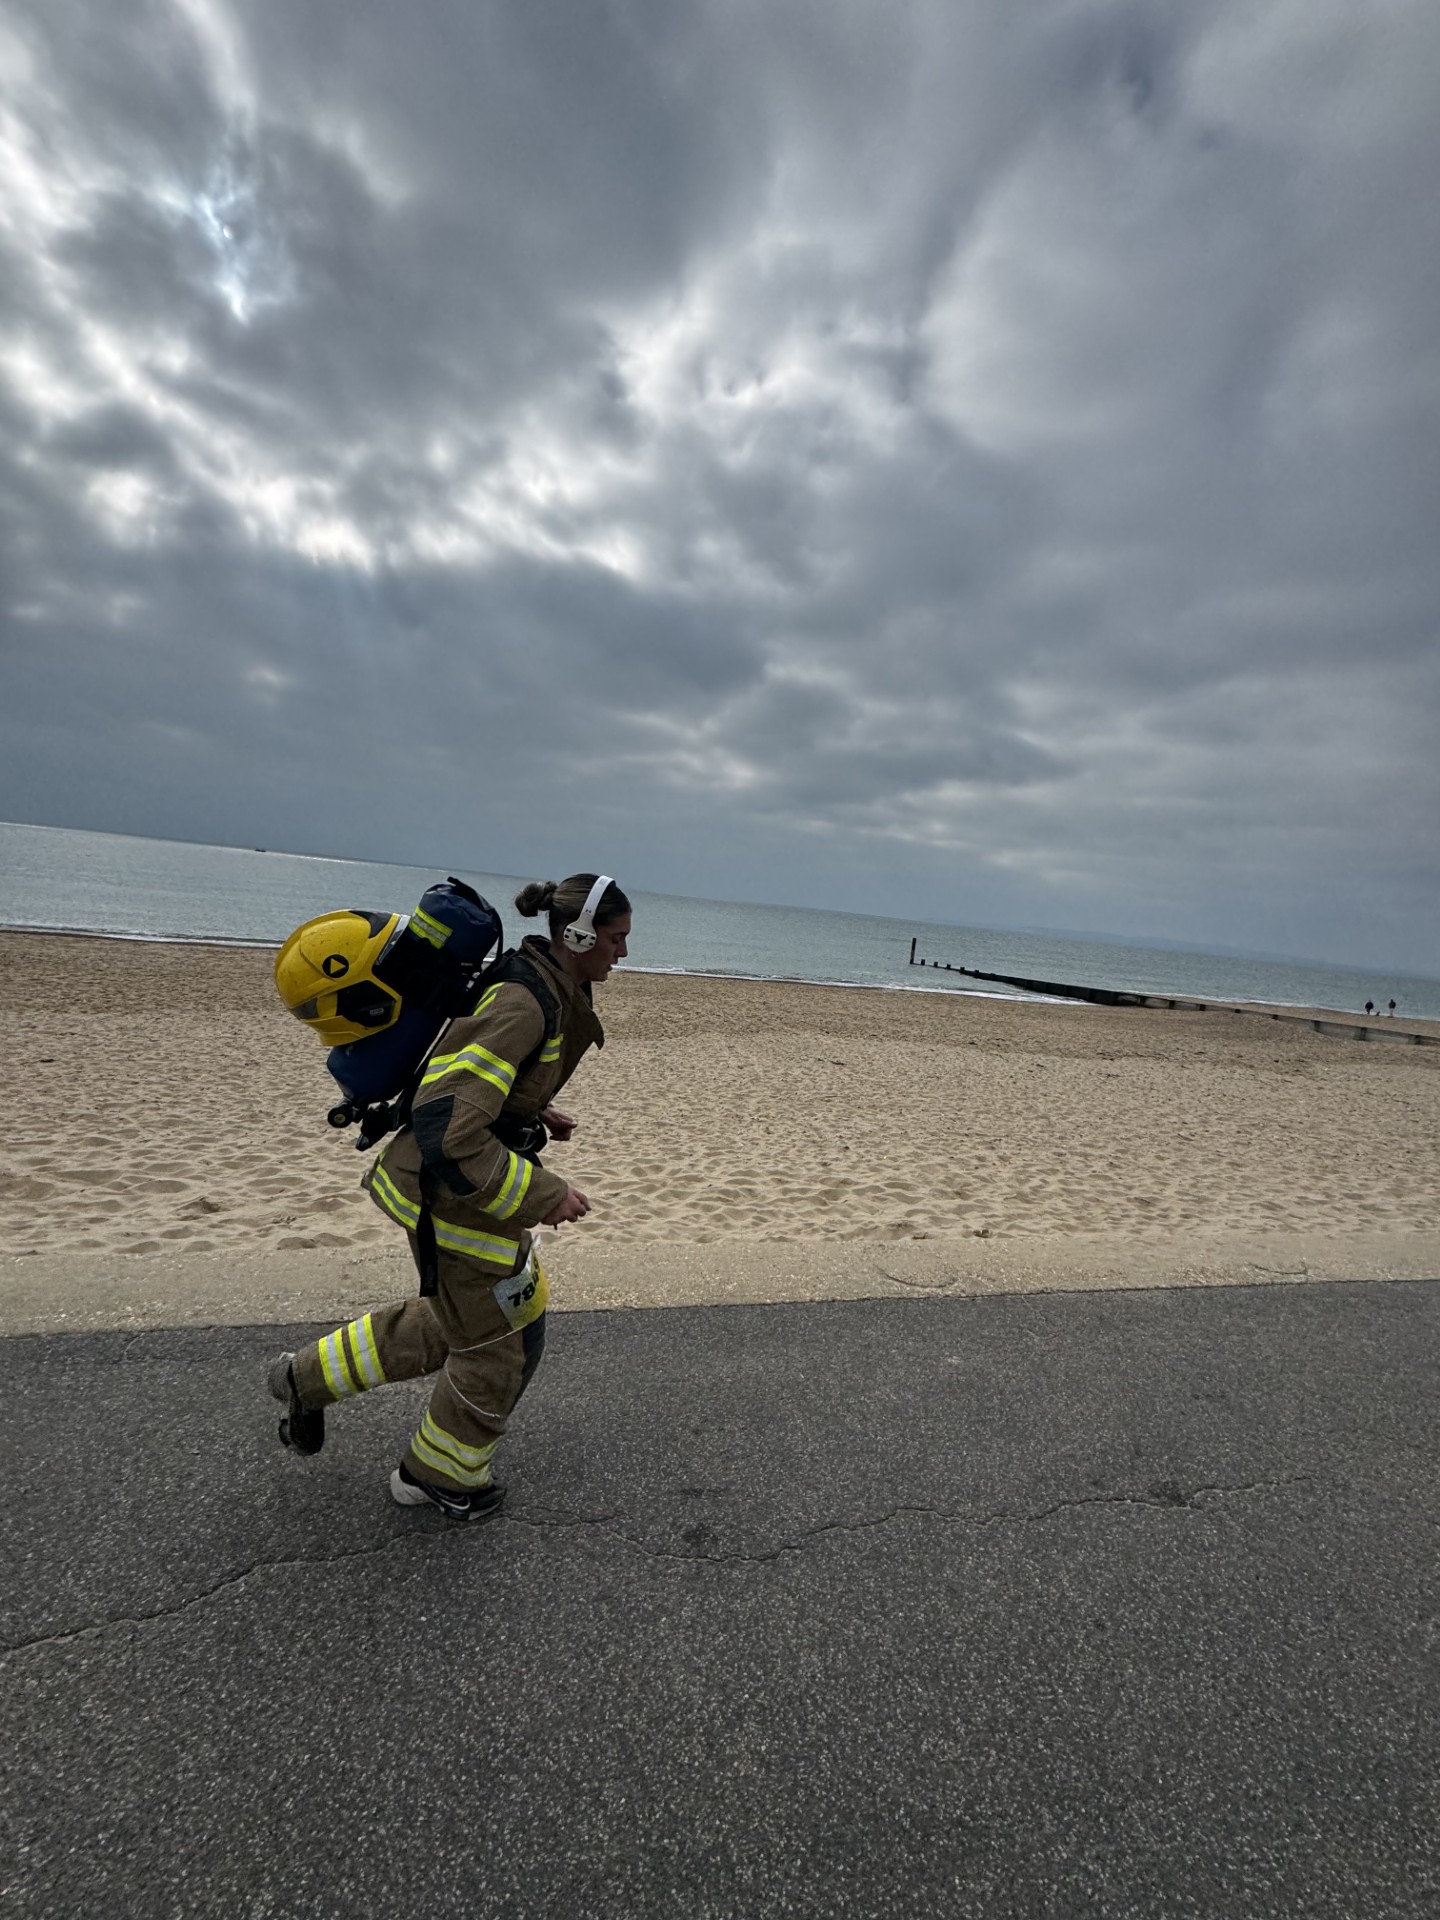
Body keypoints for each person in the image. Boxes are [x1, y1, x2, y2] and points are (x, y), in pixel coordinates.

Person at [268, 873, 631, 1521]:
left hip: (468, 1191)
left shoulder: (549, 985)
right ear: (576, 935)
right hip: (454, 1195)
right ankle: (435, 1477)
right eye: (614, 939)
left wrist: (534, 1112)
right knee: (495, 1343)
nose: (622, 954)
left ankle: (303, 1378)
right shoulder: (525, 1001)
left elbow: (477, 1084)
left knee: (456, 1322)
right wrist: (546, 1193)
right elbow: (448, 1123)